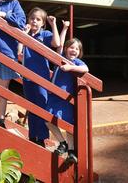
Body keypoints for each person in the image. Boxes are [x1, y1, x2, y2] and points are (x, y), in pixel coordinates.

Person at [18, 7, 60, 147]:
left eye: (38, 19)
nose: (34, 21)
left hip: (41, 78)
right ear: (28, 19)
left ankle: (42, 138)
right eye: (32, 18)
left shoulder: (45, 34)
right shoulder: (25, 33)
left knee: (42, 107)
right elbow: (19, 52)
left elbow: (57, 43)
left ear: (43, 23)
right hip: (27, 77)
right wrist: (24, 35)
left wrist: (53, 24)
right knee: (31, 107)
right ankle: (32, 136)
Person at [46, 37, 89, 165]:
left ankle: (71, 151)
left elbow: (86, 69)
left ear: (79, 52)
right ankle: (62, 143)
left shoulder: (77, 62)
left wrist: (71, 68)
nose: (74, 50)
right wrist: (64, 28)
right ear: (66, 49)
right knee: (47, 119)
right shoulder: (59, 58)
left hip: (67, 99)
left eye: (77, 48)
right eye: (71, 47)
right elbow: (58, 43)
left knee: (69, 125)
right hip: (54, 96)